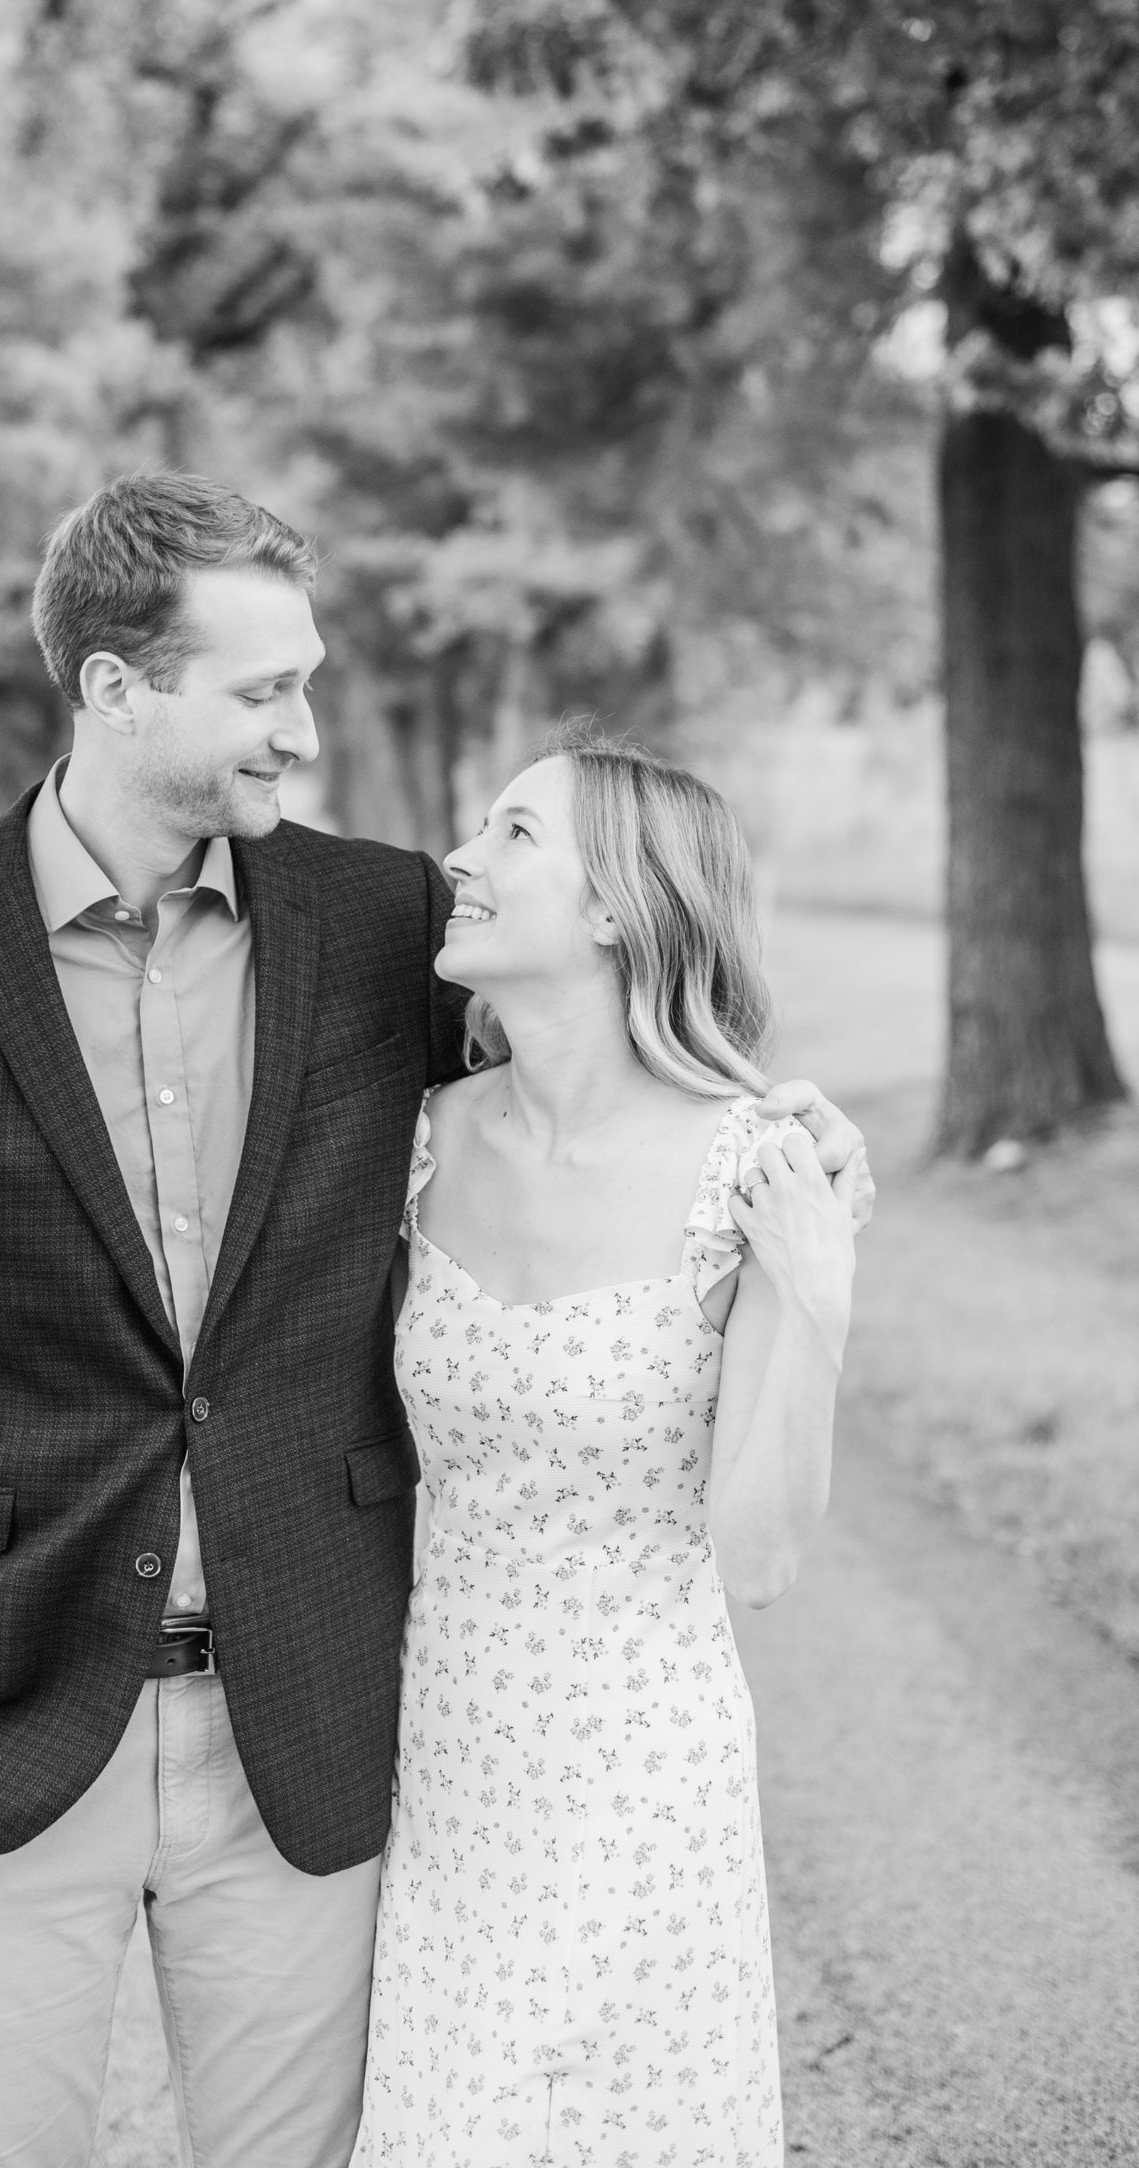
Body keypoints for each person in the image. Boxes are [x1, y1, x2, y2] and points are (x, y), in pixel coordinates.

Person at [0, 475, 868, 2168]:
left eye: (307, 683)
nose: (304, 733)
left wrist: (783, 1133)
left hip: (311, 1728)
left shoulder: (383, 922)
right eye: (265, 692)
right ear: (118, 688)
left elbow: (590, 1058)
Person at [352, 733, 859, 2168]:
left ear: (617, 906)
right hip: (443, 1756)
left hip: (644, 1774)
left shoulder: (753, 1166)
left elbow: (759, 1557)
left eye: (515, 833)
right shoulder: (418, 1144)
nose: (462, 857)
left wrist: (814, 1298)